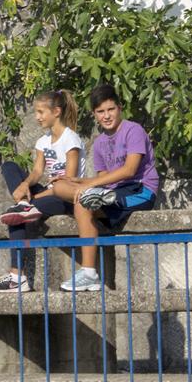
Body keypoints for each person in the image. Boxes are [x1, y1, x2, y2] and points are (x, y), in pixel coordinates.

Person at [58, 85, 159, 292]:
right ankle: (89, 273)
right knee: (70, 192)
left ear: (120, 108)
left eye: (111, 109)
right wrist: (78, 182)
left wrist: (91, 184)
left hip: (139, 190)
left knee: (86, 197)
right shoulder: (100, 143)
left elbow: (130, 170)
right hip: (111, 190)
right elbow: (103, 178)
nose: (106, 116)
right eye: (100, 111)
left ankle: (99, 198)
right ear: (94, 114)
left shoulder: (133, 130)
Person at [0, 90, 85, 292]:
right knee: (9, 166)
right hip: (49, 192)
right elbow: (36, 172)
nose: (37, 117)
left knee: (18, 215)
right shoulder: (43, 141)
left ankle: (17, 277)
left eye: (41, 112)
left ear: (56, 112)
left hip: (66, 197)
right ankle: (23, 204)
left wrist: (35, 196)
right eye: (36, 112)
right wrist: (25, 185)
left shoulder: (71, 139)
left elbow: (69, 181)